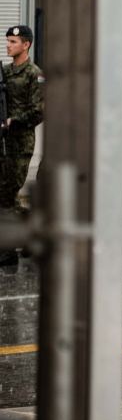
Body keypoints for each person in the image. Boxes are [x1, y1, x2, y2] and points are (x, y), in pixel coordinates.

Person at [0, 26, 43, 268]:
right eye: (7, 41)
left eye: (13, 41)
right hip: (3, 141)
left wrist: (13, 120)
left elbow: (37, 112)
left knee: (7, 195)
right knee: (6, 195)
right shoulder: (4, 72)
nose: (8, 45)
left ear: (26, 45)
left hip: (21, 144)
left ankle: (7, 252)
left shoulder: (34, 74)